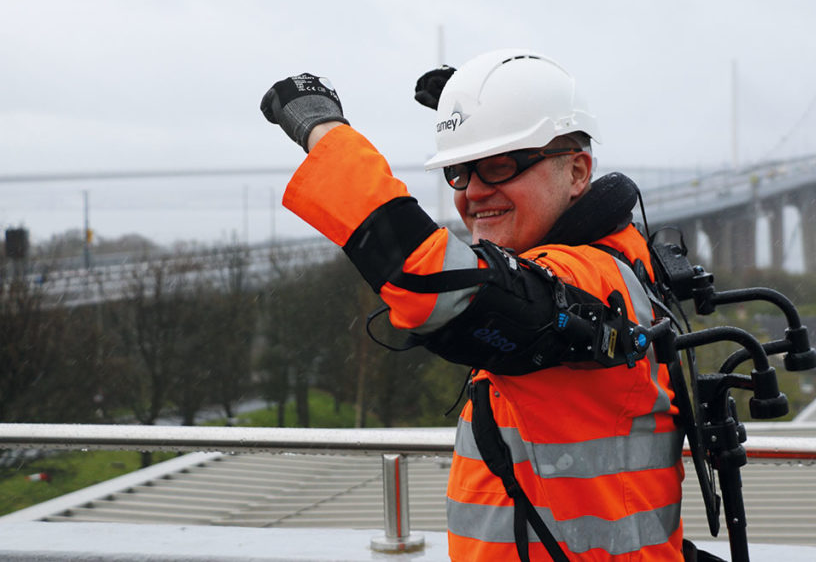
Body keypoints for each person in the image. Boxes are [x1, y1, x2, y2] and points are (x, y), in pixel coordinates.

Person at [261, 49, 685, 561]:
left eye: (502, 165)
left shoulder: (589, 276)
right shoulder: (613, 262)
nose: (474, 193)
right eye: (461, 171)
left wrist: (322, 130)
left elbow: (439, 287)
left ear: (577, 173)